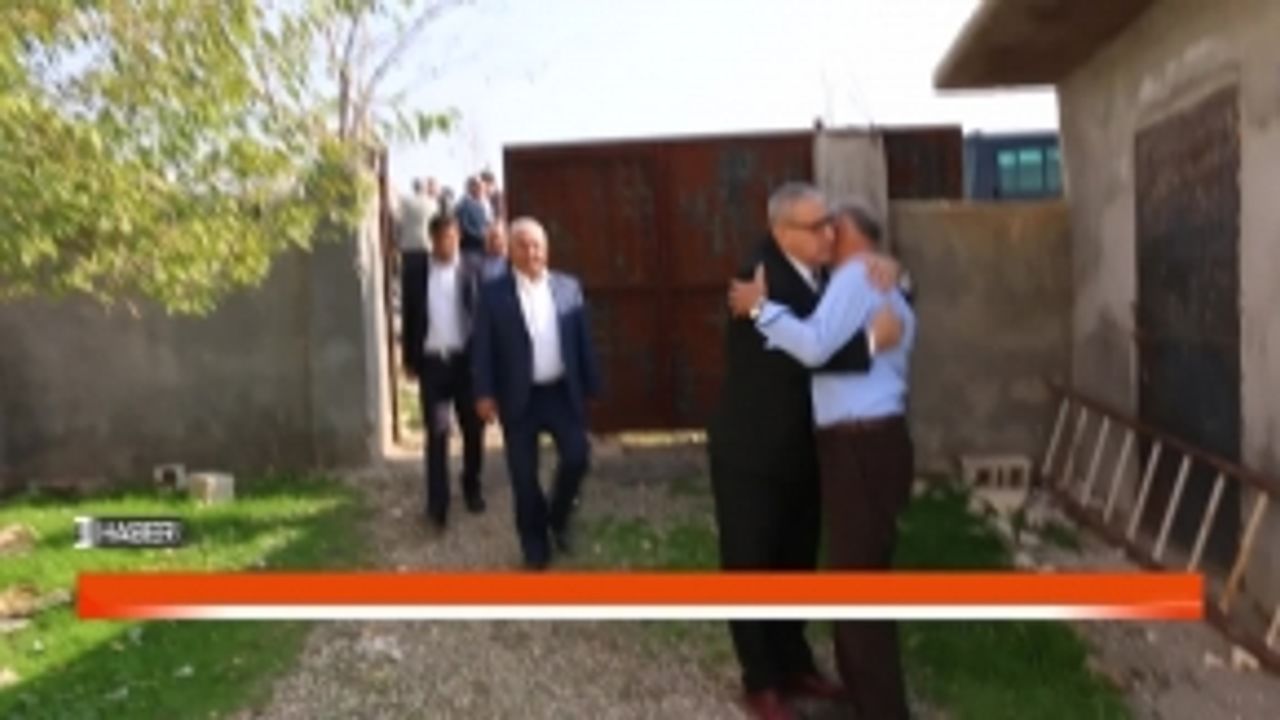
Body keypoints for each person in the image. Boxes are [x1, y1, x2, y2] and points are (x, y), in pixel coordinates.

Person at [707, 183, 902, 720]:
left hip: (805, 446)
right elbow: (803, 352)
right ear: (781, 231)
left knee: (795, 558)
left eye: (830, 223)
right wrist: (870, 343)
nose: (829, 234)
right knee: (752, 562)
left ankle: (793, 662)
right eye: (816, 227)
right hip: (752, 451)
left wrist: (889, 266)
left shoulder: (824, 271)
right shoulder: (757, 280)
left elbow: (871, 287)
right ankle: (760, 681)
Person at [471, 217, 601, 570]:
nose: (531, 253)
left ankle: (558, 516)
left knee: (577, 457)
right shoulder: (493, 294)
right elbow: (482, 348)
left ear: (547, 249)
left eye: (537, 246)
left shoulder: (568, 288)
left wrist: (591, 384)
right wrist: (483, 393)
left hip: (560, 392)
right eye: (523, 246)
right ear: (510, 251)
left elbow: (582, 341)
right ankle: (535, 546)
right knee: (523, 476)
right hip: (519, 397)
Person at [401, 214, 488, 530]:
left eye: (452, 238)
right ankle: (437, 504)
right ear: (432, 240)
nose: (447, 244)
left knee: (473, 429)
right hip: (432, 363)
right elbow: (410, 316)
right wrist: (409, 360)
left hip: (466, 363)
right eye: (441, 239)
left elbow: (483, 318)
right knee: (437, 433)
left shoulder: (474, 269)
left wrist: (486, 363)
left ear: (459, 237)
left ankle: (471, 486)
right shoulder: (416, 272)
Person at [456, 176, 492, 256]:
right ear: (471, 188)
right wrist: (481, 236)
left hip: (483, 247)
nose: (482, 190)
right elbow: (464, 227)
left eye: (483, 187)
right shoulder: (463, 205)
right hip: (470, 248)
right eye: (479, 187)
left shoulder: (483, 204)